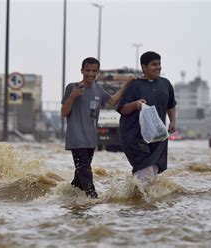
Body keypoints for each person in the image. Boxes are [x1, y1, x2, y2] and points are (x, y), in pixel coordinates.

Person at [61, 57, 131, 198]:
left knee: (80, 176)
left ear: (97, 72)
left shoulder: (98, 89)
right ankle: (93, 200)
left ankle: (69, 198)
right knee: (86, 173)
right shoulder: (72, 87)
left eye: (94, 71)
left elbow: (112, 101)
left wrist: (126, 86)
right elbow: (64, 113)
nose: (90, 74)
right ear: (82, 70)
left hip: (91, 140)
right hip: (76, 139)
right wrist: (72, 97)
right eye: (87, 70)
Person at [117, 51, 177, 187]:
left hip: (158, 136)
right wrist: (135, 104)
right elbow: (122, 109)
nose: (158, 67)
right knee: (145, 169)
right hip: (134, 136)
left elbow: (171, 105)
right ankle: (140, 202)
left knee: (153, 169)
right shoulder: (134, 86)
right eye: (153, 64)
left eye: (159, 64)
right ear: (144, 67)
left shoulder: (166, 84)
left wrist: (173, 121)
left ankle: (138, 201)